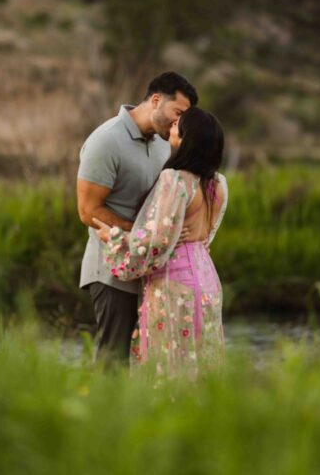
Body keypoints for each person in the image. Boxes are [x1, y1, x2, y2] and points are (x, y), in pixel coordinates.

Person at [93, 107, 228, 379]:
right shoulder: (219, 184)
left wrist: (114, 238)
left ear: (187, 138)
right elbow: (205, 234)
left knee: (170, 361)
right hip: (207, 277)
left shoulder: (175, 180)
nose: (172, 127)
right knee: (201, 360)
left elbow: (157, 243)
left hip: (175, 281)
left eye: (178, 124)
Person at [77, 72, 199, 364]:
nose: (178, 122)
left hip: (150, 271)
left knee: (145, 363)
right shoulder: (106, 140)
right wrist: (149, 234)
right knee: (113, 359)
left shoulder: (163, 143)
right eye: (178, 113)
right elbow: (88, 211)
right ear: (156, 100)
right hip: (111, 272)